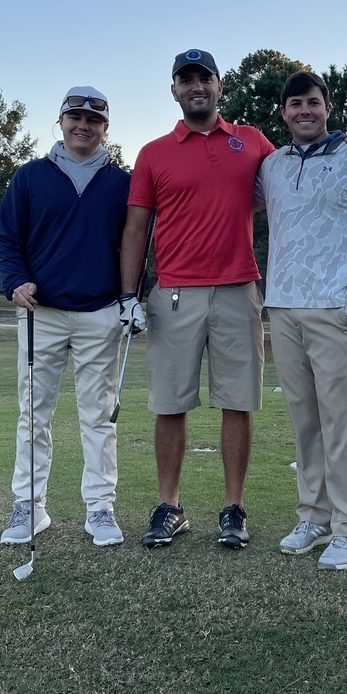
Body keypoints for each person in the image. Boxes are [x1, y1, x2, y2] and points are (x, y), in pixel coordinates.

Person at [119, 49, 275, 550]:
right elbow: (136, 229)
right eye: (186, 80)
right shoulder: (153, 153)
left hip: (238, 289)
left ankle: (233, 508)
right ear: (174, 91)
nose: (196, 87)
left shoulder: (252, 141)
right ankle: (170, 507)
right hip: (174, 293)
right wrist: (128, 294)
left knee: (238, 402)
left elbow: (297, 178)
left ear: (219, 85)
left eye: (204, 78)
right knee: (170, 404)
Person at [259, 71, 347, 570]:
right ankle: (314, 516)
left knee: (340, 420)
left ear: (327, 107)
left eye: (313, 102)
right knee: (305, 421)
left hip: (337, 308)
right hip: (283, 306)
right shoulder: (272, 166)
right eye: (295, 103)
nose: (304, 111)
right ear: (283, 112)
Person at [0, 87, 132, 548]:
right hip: (42, 312)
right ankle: (29, 505)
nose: (83, 126)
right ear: (61, 122)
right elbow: (6, 239)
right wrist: (15, 281)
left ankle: (100, 507)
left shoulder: (122, 183)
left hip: (101, 312)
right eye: (76, 118)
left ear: (105, 128)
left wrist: (133, 296)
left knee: (99, 417)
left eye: (94, 120)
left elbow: (136, 244)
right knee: (33, 414)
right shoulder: (30, 176)